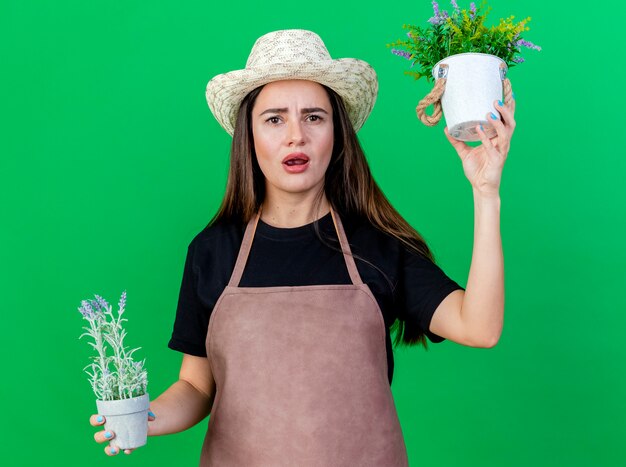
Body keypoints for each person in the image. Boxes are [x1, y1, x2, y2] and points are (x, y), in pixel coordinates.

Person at [89, 29, 513, 465]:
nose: (296, 136)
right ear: (249, 138)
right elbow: (197, 386)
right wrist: (147, 416)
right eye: (274, 119)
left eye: (314, 117)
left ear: (337, 133)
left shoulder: (377, 246)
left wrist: (486, 193)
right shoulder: (213, 251)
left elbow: (479, 328)